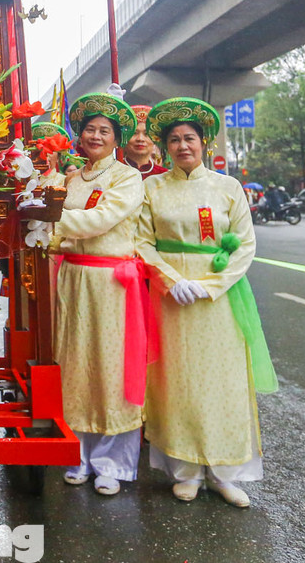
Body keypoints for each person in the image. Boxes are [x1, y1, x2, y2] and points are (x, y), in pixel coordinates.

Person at [138, 97, 276, 508]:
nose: (183, 146)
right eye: (175, 140)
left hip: (220, 303)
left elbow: (246, 245)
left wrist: (211, 285)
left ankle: (224, 472)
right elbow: (141, 242)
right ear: (165, 147)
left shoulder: (228, 188)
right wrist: (171, 281)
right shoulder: (151, 188)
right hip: (172, 302)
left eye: (190, 139)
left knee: (224, 382)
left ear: (205, 144)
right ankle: (185, 471)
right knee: (176, 381)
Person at [47, 90, 152, 496]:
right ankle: (77, 455)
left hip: (111, 282)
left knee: (110, 368)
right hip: (72, 280)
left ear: (116, 138)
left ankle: (113, 463)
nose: (95, 135)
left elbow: (101, 219)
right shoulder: (71, 179)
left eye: (104, 130)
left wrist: (50, 220)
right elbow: (47, 211)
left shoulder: (126, 178)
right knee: (74, 366)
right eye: (89, 129)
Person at [123, 106, 168, 177]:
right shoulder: (113, 171)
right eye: (134, 133)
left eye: (146, 134)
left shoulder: (164, 175)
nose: (140, 139)